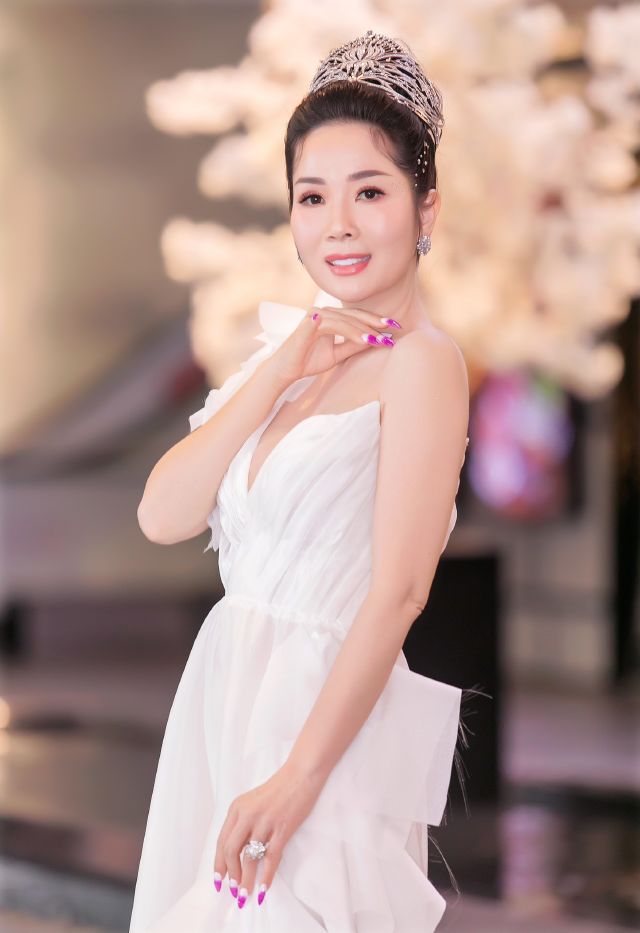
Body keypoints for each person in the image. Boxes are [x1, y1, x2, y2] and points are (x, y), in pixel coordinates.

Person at [130, 30, 471, 933]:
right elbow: (162, 514)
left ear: (426, 209)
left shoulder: (424, 364)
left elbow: (399, 591)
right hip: (224, 705)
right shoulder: (284, 358)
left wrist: (299, 776)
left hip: (321, 723)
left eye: (371, 192)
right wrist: (280, 372)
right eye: (313, 196)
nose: (339, 224)